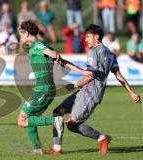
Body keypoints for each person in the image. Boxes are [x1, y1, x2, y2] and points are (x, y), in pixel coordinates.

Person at [48, 24, 141, 154]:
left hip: (90, 94)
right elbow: (118, 74)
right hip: (86, 92)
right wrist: (131, 92)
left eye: (87, 36)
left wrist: (73, 85)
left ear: (96, 37)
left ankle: (102, 138)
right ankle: (57, 148)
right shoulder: (111, 54)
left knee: (72, 124)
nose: (85, 39)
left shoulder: (93, 52)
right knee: (58, 112)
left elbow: (90, 76)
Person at [17, 20, 93, 154]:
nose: (21, 38)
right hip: (47, 89)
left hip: (42, 90)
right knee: (30, 117)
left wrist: (54, 55)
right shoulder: (44, 44)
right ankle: (37, 149)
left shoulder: (37, 45)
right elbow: (63, 61)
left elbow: (53, 54)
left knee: (22, 120)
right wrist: (82, 71)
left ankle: (56, 120)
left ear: (27, 33)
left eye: (21, 35)